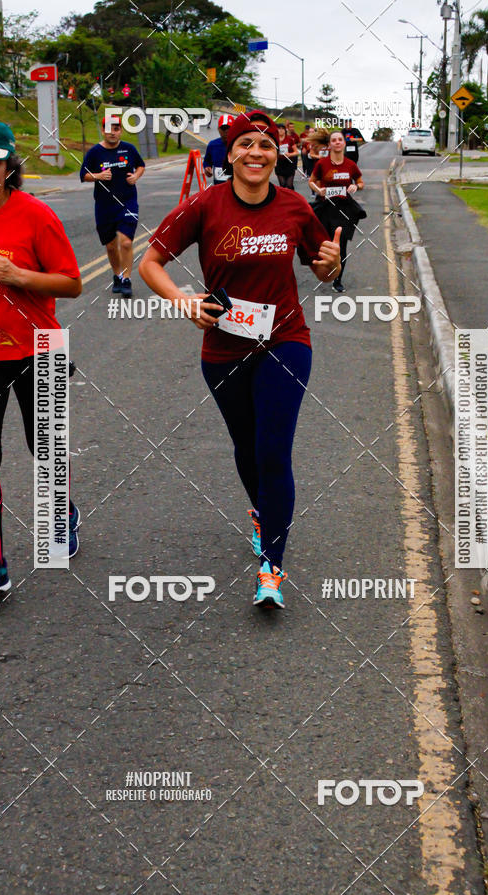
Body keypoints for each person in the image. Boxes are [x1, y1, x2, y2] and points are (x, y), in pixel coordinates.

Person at [139, 110, 341, 610]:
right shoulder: (205, 205)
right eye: (245, 144)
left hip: (284, 341)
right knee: (247, 448)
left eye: (266, 145)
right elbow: (150, 262)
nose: (256, 153)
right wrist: (183, 301)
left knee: (273, 451)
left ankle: (272, 566)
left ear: (278, 155)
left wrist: (332, 265)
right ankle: (262, 513)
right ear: (229, 155)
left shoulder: (294, 206)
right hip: (224, 348)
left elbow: (320, 266)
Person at [0, 121, 82, 601]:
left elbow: (71, 283)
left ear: (10, 165)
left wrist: (17, 275)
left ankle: (63, 513)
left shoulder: (36, 215)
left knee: (45, 447)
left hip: (40, 348)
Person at [80, 114, 145, 298]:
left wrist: (136, 176)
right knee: (110, 246)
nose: (112, 133)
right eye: (109, 129)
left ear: (120, 131)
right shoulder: (95, 152)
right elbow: (83, 175)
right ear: (103, 131)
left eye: (116, 129)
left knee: (126, 242)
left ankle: (127, 279)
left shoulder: (129, 149)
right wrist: (98, 176)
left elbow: (141, 166)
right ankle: (117, 275)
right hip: (104, 205)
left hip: (127, 202)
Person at [309, 130, 365, 293]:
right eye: (334, 140)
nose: (337, 142)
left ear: (344, 143)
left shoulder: (350, 164)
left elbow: (360, 182)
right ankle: (325, 269)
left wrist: (356, 186)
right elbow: (312, 182)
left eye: (340, 139)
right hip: (325, 207)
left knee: (341, 246)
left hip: (344, 209)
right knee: (325, 244)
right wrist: (319, 190)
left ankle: (337, 280)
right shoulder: (322, 164)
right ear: (329, 144)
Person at [203, 113, 234, 184]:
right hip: (218, 185)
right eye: (223, 128)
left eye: (229, 128)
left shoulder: (240, 146)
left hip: (236, 187)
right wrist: (207, 167)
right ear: (218, 129)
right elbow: (207, 161)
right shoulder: (212, 145)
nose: (226, 131)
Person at [275, 123, 300, 189]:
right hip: (279, 163)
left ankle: (292, 195)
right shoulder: (274, 140)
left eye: (282, 129)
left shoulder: (290, 139)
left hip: (289, 163)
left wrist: (290, 154)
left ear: (285, 130)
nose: (281, 130)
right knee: (282, 184)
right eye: (279, 128)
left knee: (289, 185)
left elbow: (296, 152)